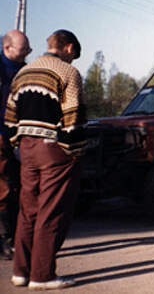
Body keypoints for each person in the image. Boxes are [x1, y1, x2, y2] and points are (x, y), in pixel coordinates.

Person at [5, 29, 87, 290]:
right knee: (51, 212)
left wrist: (20, 143)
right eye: (74, 56)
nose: (73, 61)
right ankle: (42, 276)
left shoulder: (23, 72)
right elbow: (73, 119)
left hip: (26, 149)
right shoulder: (68, 73)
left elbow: (9, 117)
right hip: (54, 151)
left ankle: (21, 272)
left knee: (27, 210)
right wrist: (73, 151)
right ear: (70, 49)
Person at [0, 30, 30, 260]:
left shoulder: (23, 69)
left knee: (19, 186)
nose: (27, 53)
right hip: (1, 134)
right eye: (23, 49)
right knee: (3, 189)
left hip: (19, 134)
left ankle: (16, 238)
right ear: (7, 48)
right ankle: (4, 241)